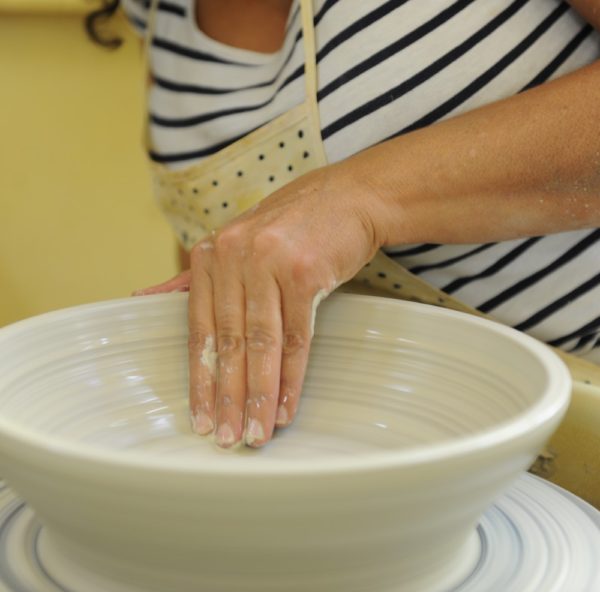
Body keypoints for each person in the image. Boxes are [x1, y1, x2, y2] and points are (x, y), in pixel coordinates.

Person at [90, 0, 600, 449]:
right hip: (388, 433)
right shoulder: (156, 10)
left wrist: (363, 198)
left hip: (574, 420)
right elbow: (219, 241)